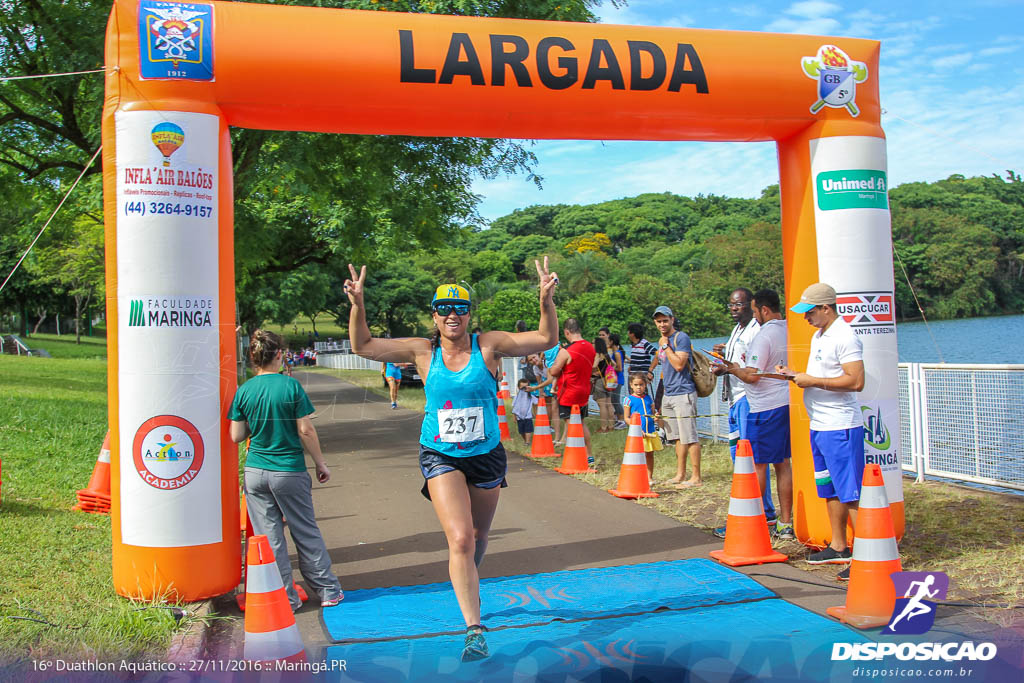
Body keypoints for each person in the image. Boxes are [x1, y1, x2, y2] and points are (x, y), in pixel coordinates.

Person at [344, 259, 559, 662]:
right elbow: (363, 346)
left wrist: (546, 299)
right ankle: (474, 629)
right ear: (434, 315)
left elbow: (547, 338)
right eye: (443, 308)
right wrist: (358, 304)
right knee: (459, 538)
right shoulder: (422, 351)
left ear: (469, 313)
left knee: (477, 538)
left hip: (487, 456)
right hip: (440, 453)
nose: (452, 314)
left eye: (459, 307)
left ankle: (468, 579)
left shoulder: (489, 344)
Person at [228, 329, 344, 611]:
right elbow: (305, 429)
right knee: (304, 530)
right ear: (279, 355)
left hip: (256, 471)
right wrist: (320, 463)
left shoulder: (244, 391)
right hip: (288, 470)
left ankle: (285, 598)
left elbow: (236, 435)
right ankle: (327, 590)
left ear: (253, 358)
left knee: (271, 538)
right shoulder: (290, 387)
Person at [777, 282, 865, 576]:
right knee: (830, 488)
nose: (806, 317)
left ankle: (867, 556)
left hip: (841, 426)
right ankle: (839, 546)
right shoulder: (819, 335)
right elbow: (821, 375)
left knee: (850, 491)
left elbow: (855, 381)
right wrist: (796, 376)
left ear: (827, 308)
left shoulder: (846, 336)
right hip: (820, 424)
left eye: (810, 311)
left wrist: (812, 381)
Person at [715, 289, 794, 539]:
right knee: (782, 463)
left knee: (756, 465)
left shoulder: (764, 334)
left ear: (763, 310)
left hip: (763, 406)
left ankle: (755, 519)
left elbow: (752, 375)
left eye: (755, 310)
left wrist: (732, 369)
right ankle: (785, 523)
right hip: (783, 402)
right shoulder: (787, 329)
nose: (755, 316)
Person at [709, 287, 774, 536]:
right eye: (731, 305)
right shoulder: (738, 329)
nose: (734, 309)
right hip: (735, 399)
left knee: (751, 459)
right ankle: (760, 510)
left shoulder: (757, 330)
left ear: (752, 306)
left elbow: (752, 367)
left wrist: (728, 369)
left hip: (749, 398)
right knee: (739, 458)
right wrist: (724, 355)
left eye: (739, 305)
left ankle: (756, 514)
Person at [652, 305, 702, 487]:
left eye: (665, 320)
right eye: (659, 321)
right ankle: (680, 474)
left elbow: (679, 364)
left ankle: (696, 477)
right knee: (678, 437)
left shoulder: (681, 338)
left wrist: (666, 346)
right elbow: (662, 364)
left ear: (672, 320)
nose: (662, 324)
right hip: (669, 393)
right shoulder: (661, 341)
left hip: (684, 392)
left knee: (690, 436)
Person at [548, 319, 596, 458]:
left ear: (566, 332)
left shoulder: (567, 351)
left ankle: (576, 456)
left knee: (573, 424)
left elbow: (554, 371)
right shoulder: (590, 347)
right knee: (581, 422)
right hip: (584, 390)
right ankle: (589, 454)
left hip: (568, 392)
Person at [622, 372, 663, 485]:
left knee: (649, 454)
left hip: (650, 431)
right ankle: (637, 477)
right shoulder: (628, 400)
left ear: (645, 385)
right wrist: (636, 429)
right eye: (636, 385)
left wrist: (656, 417)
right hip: (638, 433)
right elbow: (626, 418)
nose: (639, 388)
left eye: (641, 385)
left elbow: (653, 413)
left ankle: (649, 477)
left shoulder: (649, 398)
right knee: (638, 455)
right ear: (631, 385)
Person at [599, 329, 627, 430]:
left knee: (616, 401)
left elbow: (619, 368)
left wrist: (609, 369)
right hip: (614, 380)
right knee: (613, 400)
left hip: (617, 380)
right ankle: (617, 419)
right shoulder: (616, 352)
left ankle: (621, 420)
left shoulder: (617, 353)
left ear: (612, 342)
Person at [591, 336, 617, 433]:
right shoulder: (606, 355)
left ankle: (603, 427)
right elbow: (614, 364)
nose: (592, 345)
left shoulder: (598, 355)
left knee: (602, 405)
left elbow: (594, 366)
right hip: (608, 381)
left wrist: (593, 371)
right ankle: (611, 426)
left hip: (600, 381)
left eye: (593, 343)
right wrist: (608, 371)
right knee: (609, 404)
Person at [511, 378, 538, 446]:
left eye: (525, 387)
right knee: (521, 431)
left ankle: (527, 442)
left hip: (528, 417)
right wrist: (514, 417)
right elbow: (514, 407)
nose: (524, 389)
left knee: (528, 430)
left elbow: (536, 403)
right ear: (519, 387)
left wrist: (536, 414)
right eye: (522, 388)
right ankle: (525, 440)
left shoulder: (531, 397)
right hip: (519, 418)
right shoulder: (516, 397)